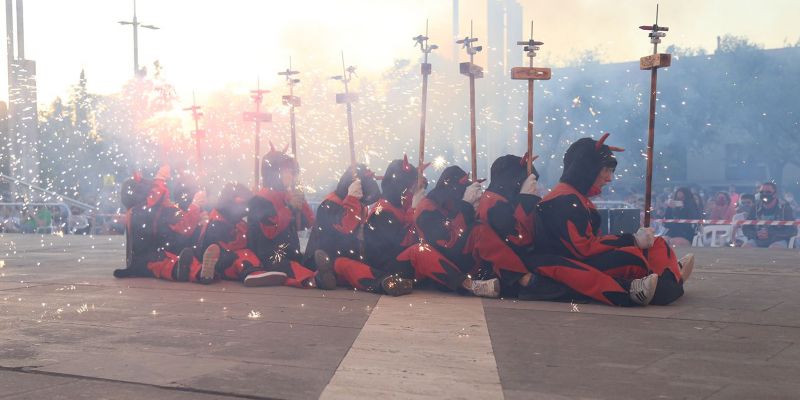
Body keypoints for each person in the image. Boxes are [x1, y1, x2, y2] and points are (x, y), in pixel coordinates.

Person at [531, 134, 694, 306]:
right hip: (571, 266)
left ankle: (669, 274)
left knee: (656, 244)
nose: (609, 178)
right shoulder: (564, 199)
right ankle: (669, 281)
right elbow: (582, 249)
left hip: (582, 259)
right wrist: (631, 240)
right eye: (605, 170)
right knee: (633, 258)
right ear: (587, 168)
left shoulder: (574, 196)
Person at [394, 165, 501, 298]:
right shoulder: (427, 207)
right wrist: (465, 206)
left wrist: (471, 210)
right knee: (420, 250)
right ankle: (470, 285)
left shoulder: (446, 205)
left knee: (480, 230)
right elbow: (447, 242)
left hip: (445, 263)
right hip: (417, 264)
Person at [325, 156, 421, 296]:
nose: (411, 191)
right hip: (381, 265)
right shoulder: (381, 212)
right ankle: (386, 282)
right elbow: (345, 228)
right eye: (410, 187)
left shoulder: (394, 208)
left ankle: (389, 281)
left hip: (375, 260)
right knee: (341, 264)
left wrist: (413, 207)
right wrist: (351, 200)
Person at [113, 165, 211, 282]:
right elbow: (184, 227)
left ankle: (202, 272)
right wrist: (195, 205)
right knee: (170, 264)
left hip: (146, 259)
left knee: (179, 261)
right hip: (150, 258)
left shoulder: (137, 211)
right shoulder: (144, 210)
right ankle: (199, 273)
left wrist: (198, 220)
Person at [247, 147, 327, 289]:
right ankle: (316, 279)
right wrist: (290, 208)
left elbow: (307, 223)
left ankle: (322, 270)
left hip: (290, 252)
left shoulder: (287, 195)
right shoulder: (260, 199)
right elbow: (270, 231)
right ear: (275, 173)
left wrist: (301, 201)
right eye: (287, 171)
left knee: (309, 255)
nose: (291, 175)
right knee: (289, 268)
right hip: (269, 255)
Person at [197, 182, 288, 286]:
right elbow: (234, 243)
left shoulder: (216, 217)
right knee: (244, 256)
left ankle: (204, 272)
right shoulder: (225, 221)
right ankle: (253, 272)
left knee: (237, 259)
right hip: (226, 258)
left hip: (211, 256)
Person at [742, 182, 797, 248]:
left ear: (775, 194)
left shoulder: (785, 208)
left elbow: (793, 230)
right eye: (761, 192)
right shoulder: (755, 208)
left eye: (768, 192)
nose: (764, 194)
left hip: (778, 239)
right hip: (758, 239)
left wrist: (771, 233)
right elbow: (745, 227)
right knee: (746, 247)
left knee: (774, 248)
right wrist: (756, 234)